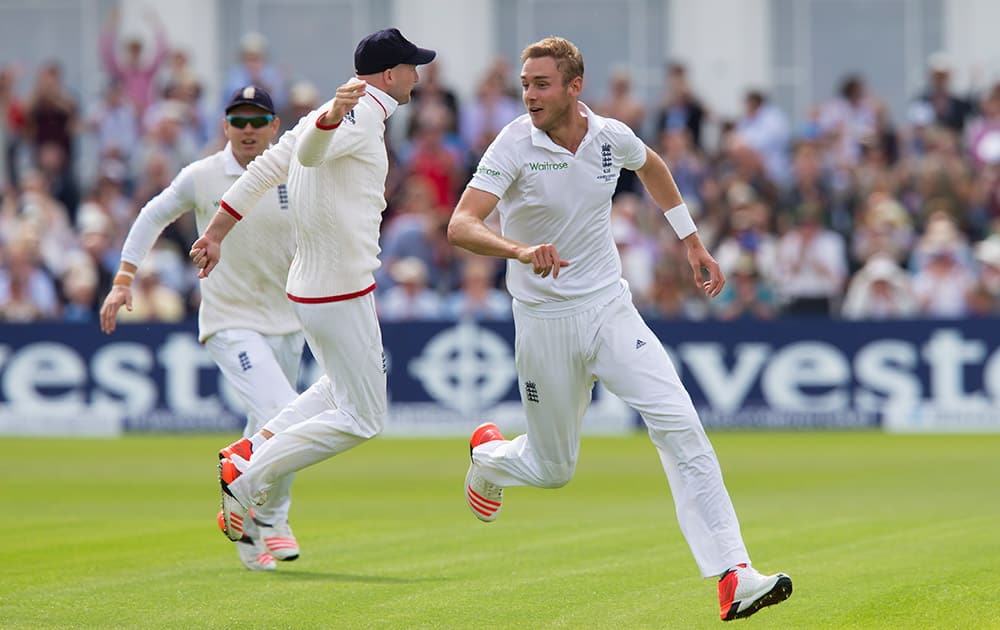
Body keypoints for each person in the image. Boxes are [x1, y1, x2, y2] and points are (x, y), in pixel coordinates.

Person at [446, 37, 792, 622]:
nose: (529, 94)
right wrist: (520, 249)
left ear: (574, 87)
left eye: (542, 84)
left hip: (610, 309)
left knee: (680, 423)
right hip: (544, 321)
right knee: (554, 471)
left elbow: (651, 166)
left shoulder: (609, 136)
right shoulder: (513, 143)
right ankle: (490, 459)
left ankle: (735, 574)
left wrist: (691, 241)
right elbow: (460, 224)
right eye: (525, 84)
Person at [188, 29, 435, 546]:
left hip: (313, 286)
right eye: (412, 66)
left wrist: (214, 232)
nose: (418, 74)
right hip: (339, 286)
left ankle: (250, 451)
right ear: (389, 74)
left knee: (335, 387)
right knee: (364, 418)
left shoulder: (339, 108)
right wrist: (326, 122)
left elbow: (264, 170)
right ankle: (249, 479)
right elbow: (311, 156)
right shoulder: (359, 110)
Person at [99, 86, 304, 572]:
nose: (248, 130)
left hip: (290, 320)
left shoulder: (296, 170)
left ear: (275, 126)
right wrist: (123, 279)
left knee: (270, 423)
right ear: (225, 125)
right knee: (285, 413)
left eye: (258, 121)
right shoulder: (203, 175)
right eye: (239, 120)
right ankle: (271, 516)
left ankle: (246, 526)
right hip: (230, 320)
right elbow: (152, 214)